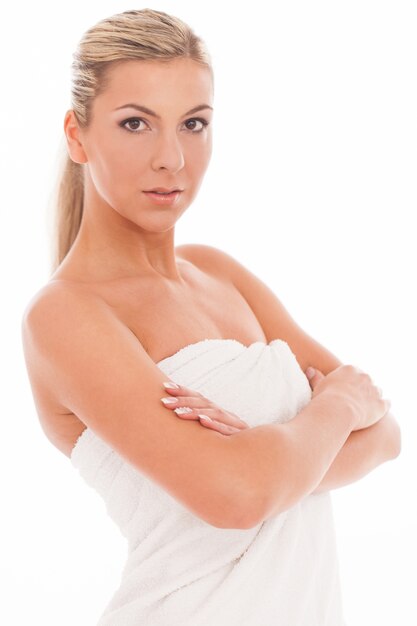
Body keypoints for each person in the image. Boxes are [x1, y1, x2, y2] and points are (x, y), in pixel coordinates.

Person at [21, 8, 401, 626]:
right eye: (136, 123)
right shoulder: (66, 314)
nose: (172, 157)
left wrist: (266, 461)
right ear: (77, 135)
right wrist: (334, 409)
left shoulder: (220, 274)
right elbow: (237, 497)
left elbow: (385, 437)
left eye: (193, 123)